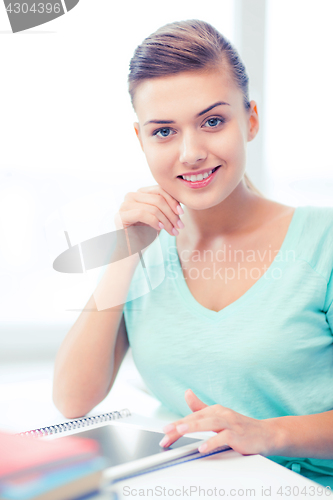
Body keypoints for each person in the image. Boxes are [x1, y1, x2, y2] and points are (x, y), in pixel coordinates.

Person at [53, 20, 333, 489]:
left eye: (213, 121)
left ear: (252, 120)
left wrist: (265, 434)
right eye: (164, 131)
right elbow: (72, 401)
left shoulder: (322, 242)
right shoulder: (144, 251)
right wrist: (123, 252)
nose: (191, 153)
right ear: (141, 139)